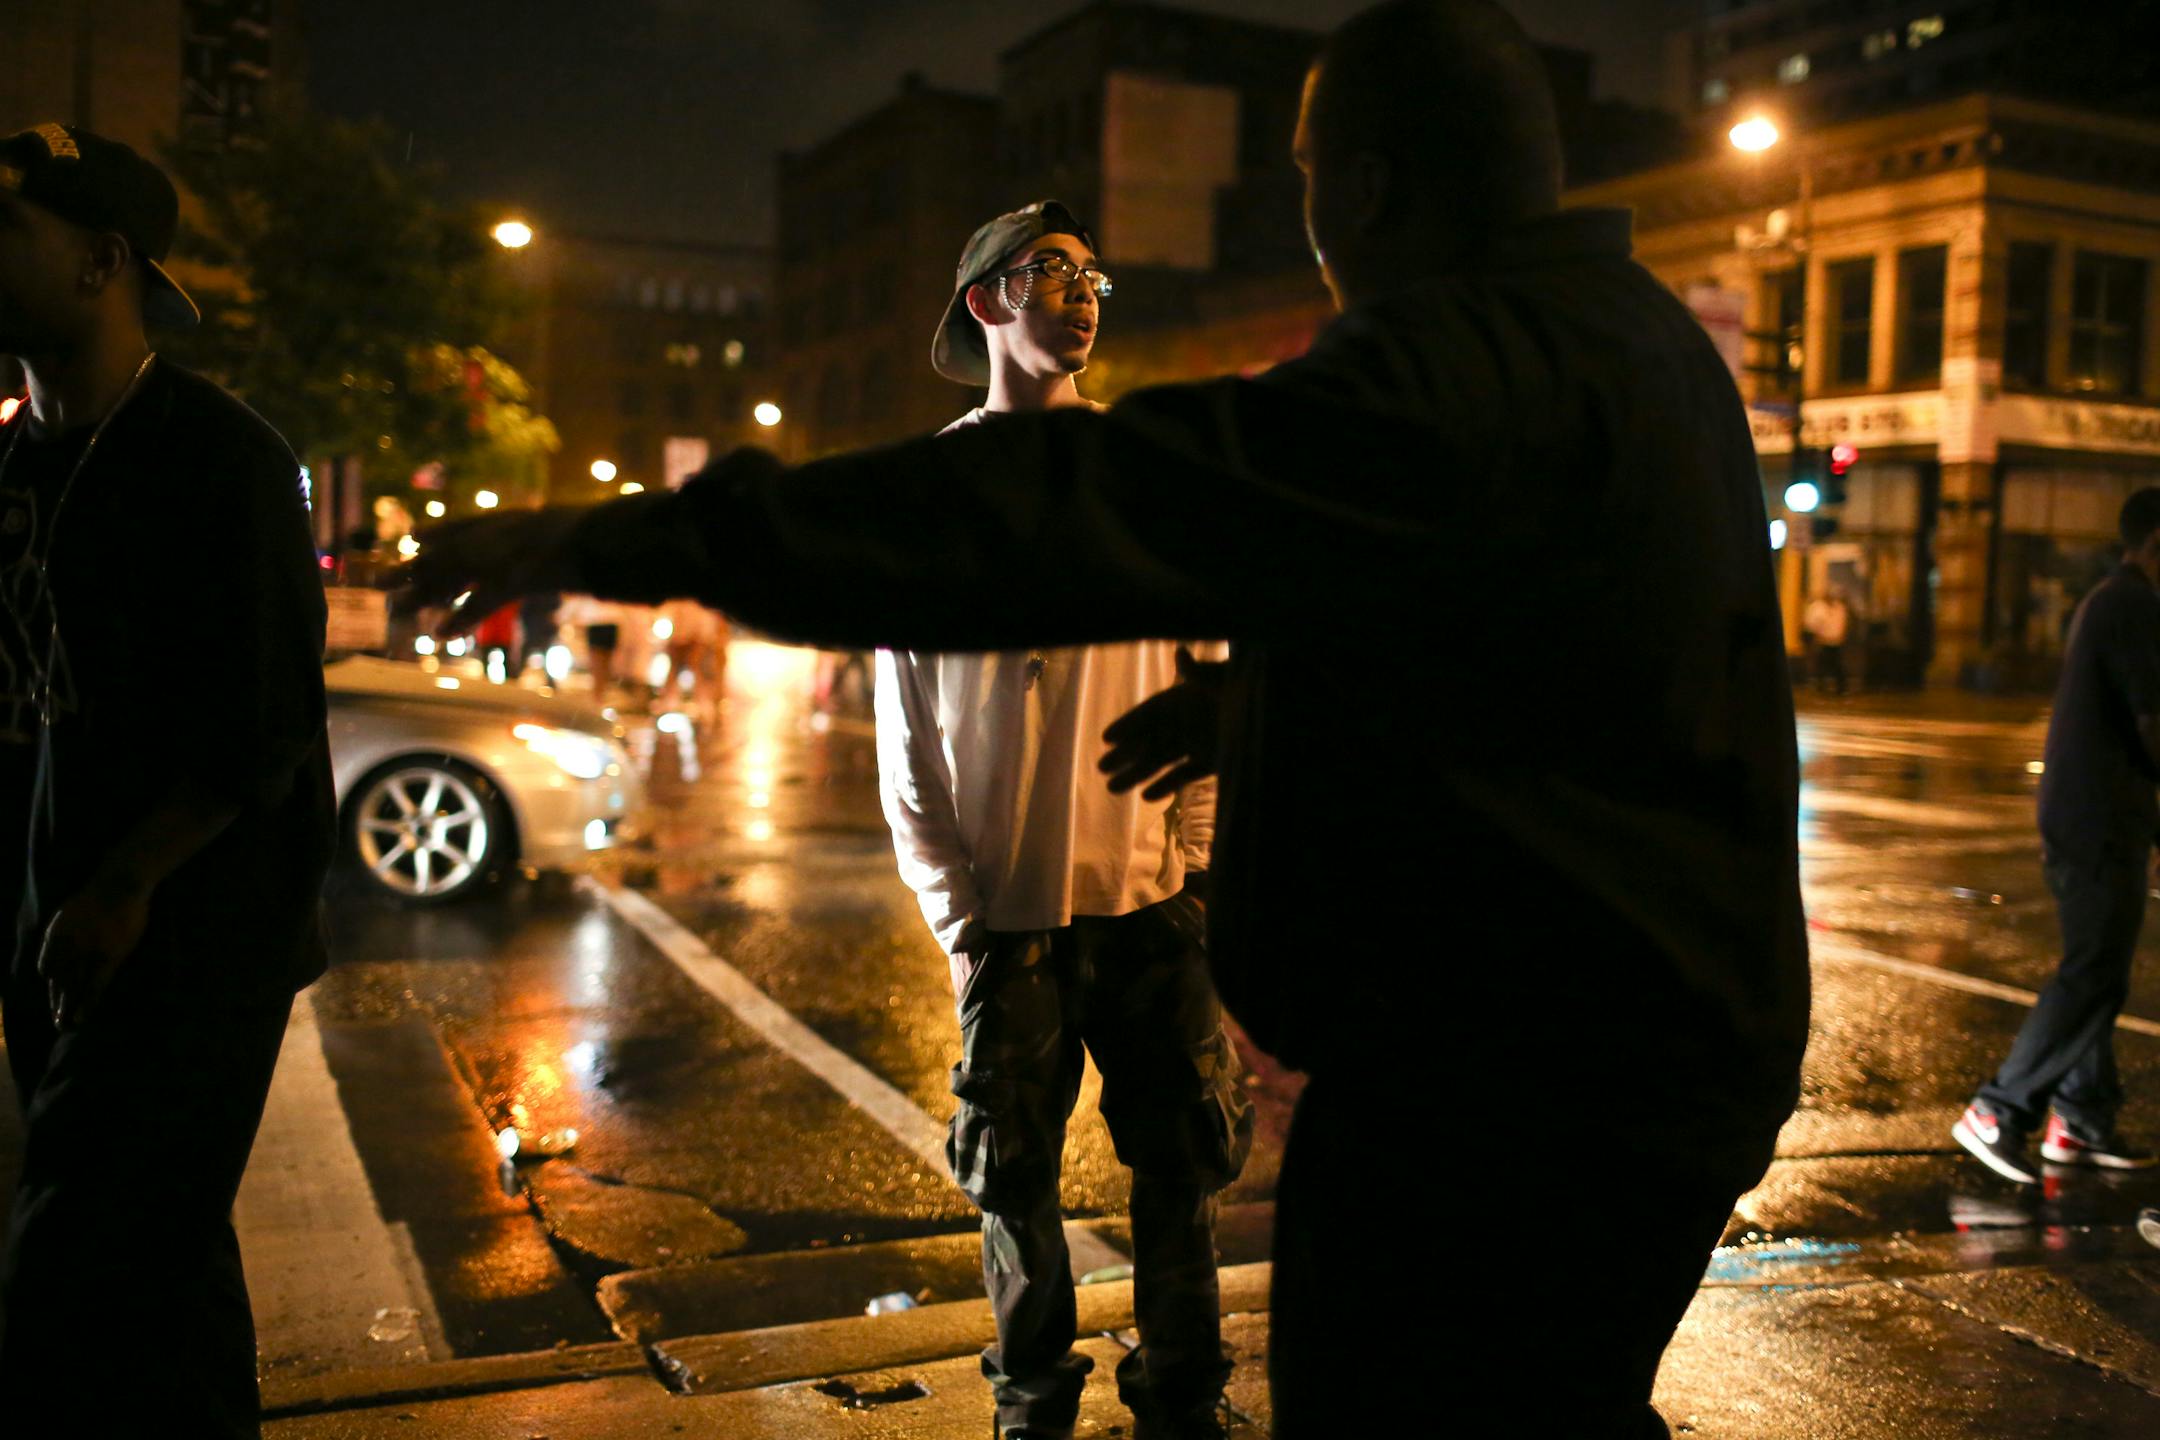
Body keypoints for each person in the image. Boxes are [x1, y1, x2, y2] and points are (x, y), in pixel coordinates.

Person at [401, 3, 1810, 1431]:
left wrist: (626, 539)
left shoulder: (1469, 359)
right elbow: (1523, 659)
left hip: (1516, 1098)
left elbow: (1070, 505)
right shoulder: (1632, 341)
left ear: (1368, 187)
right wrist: (1256, 701)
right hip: (1629, 1068)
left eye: (1309, 178)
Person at [876, 201, 1251, 1440]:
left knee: (1182, 1168)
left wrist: (1192, 869)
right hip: (1008, 912)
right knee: (1014, 1183)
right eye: (1050, 272)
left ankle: (1183, 1397)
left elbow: (1207, 672)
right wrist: (958, 913)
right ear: (987, 300)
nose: (1082, 295)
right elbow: (907, 725)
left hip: (1149, 901)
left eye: (1094, 277)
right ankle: (1031, 1402)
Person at [0, 124, 335, 1436]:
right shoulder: (16, 462)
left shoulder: (218, 459)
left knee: (71, 1278)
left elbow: (260, 723)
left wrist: (123, 886)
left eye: (6, 228)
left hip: (195, 940)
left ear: (100, 262)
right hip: (58, 931)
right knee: (167, 1269)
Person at [1954, 489, 2160, 1184]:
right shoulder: (2132, 604)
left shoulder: (2111, 600)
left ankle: (2080, 1116)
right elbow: (2152, 722)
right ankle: (1999, 1109)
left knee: (2097, 964)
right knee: (2093, 970)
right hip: (2100, 815)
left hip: (2091, 812)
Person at [1803, 588, 1851, 694]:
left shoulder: (1838, 609)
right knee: (1826, 663)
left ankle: (1836, 685)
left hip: (1832, 640)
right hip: (1826, 640)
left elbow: (1838, 625)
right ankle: (1825, 685)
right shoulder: (1826, 608)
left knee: (1831, 663)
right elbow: (1815, 623)